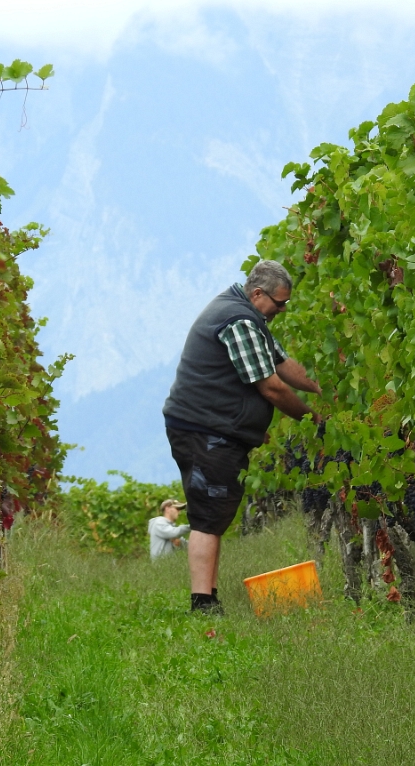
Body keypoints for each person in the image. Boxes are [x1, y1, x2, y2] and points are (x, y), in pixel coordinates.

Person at [162, 260, 321, 614]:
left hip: (213, 428)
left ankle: (209, 597)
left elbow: (281, 363)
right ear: (258, 293)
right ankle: (202, 602)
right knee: (208, 514)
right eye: (280, 303)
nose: (282, 310)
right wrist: (314, 420)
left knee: (215, 513)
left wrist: (318, 387)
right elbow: (272, 387)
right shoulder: (238, 321)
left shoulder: (247, 316)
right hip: (204, 430)